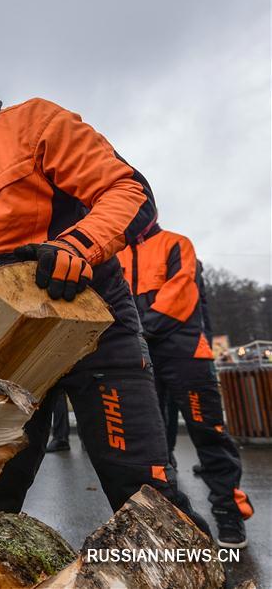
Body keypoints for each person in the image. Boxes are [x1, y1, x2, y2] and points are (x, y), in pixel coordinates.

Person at [0, 53, 207, 530]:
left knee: (142, 494)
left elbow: (128, 192)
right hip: (7, 351)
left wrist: (78, 247)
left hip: (93, 329)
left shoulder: (32, 125)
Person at [117, 225, 253, 548]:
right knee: (154, 443)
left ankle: (228, 511)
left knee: (208, 433)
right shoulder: (116, 253)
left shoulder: (176, 244)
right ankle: (165, 514)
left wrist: (136, 327)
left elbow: (178, 294)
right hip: (142, 358)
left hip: (186, 354)